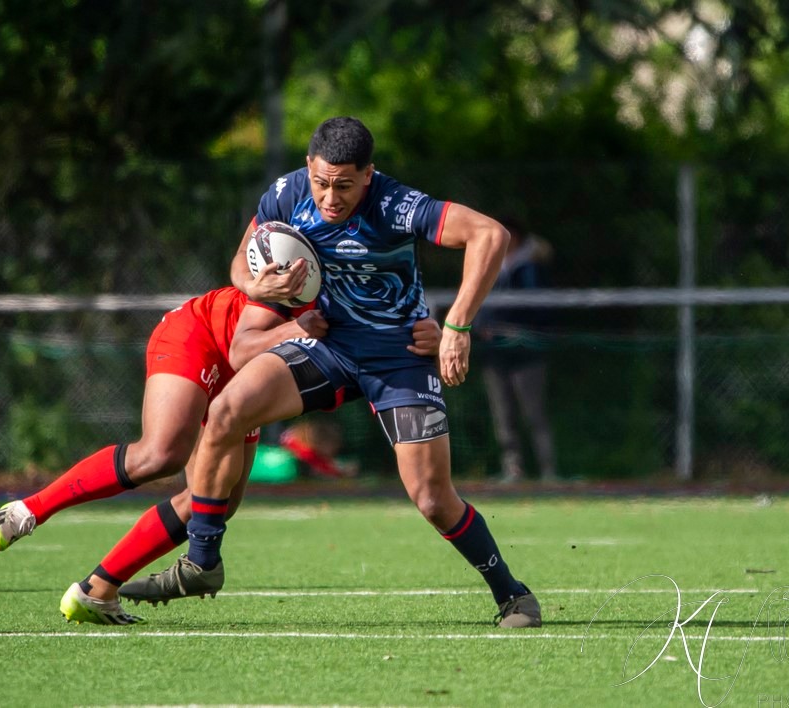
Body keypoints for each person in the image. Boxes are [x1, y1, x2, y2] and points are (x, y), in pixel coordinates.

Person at [118, 116, 542, 628]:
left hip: (399, 355)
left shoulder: (395, 204)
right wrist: (254, 290)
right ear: (307, 170)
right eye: (321, 182)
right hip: (328, 346)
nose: (330, 197)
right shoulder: (287, 194)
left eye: (344, 185)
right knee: (228, 409)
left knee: (431, 497)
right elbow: (242, 258)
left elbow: (489, 235)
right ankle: (203, 562)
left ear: (368, 175)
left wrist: (457, 325)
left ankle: (513, 596)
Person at [0, 284, 442, 624]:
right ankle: (27, 511)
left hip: (248, 378)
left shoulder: (376, 295)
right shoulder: (310, 232)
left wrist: (443, 335)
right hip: (202, 336)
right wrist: (289, 318)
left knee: (215, 500)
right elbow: (246, 289)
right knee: (160, 454)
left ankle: (97, 589)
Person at [475, 217, 559, 483]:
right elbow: (476, 300)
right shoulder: (488, 265)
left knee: (533, 412)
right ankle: (513, 469)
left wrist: (513, 326)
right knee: (503, 414)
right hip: (495, 352)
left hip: (526, 351)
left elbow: (538, 307)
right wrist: (482, 327)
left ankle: (548, 470)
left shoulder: (531, 267)